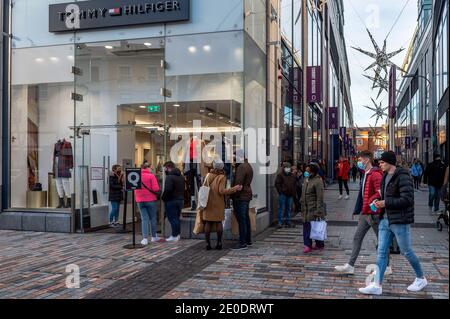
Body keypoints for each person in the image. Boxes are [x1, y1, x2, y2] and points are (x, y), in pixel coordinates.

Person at [359, 151, 427, 295]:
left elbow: (407, 200)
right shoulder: (384, 176)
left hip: (399, 221)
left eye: (382, 162)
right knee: (381, 252)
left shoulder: (403, 176)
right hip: (384, 220)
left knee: (406, 251)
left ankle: (421, 278)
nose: (379, 164)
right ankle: (377, 285)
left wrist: (385, 203)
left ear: (390, 162)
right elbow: (384, 195)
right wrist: (377, 201)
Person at [335, 151, 392, 275]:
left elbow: (381, 192)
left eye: (360, 160)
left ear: (366, 160)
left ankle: (387, 267)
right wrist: (359, 208)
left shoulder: (375, 174)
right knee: (357, 237)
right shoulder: (365, 173)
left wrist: (371, 201)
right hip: (365, 212)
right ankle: (350, 265)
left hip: (374, 212)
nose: (359, 162)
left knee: (381, 240)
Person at [203, 159, 242, 250]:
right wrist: (234, 189)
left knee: (208, 222)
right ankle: (219, 243)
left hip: (207, 202)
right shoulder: (222, 177)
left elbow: (204, 187)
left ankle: (207, 244)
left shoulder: (208, 175)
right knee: (218, 222)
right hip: (218, 203)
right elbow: (221, 191)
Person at [231, 149, 254, 250]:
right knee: (245, 218)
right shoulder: (248, 165)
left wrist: (233, 195)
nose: (233, 159)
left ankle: (242, 242)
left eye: (235, 157)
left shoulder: (241, 167)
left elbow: (238, 183)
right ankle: (247, 240)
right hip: (246, 194)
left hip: (241, 196)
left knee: (242, 219)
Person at [301, 163, 326, 253]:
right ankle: (308, 245)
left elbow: (320, 197)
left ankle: (318, 244)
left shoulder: (318, 181)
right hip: (305, 208)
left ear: (313, 172)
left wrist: (318, 210)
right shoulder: (306, 180)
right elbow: (303, 192)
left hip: (313, 208)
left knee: (315, 227)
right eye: (306, 170)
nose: (306, 172)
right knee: (307, 226)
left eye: (308, 171)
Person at [135, 164, 161, 245]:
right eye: (151, 168)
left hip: (139, 200)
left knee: (144, 219)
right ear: (147, 168)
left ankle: (145, 239)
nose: (152, 169)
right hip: (150, 200)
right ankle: (153, 237)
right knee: (153, 218)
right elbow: (156, 188)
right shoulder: (151, 176)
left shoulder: (136, 176)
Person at [161, 161, 185, 242]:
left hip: (171, 200)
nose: (164, 170)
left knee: (172, 218)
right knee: (176, 218)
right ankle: (177, 235)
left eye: (165, 168)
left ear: (168, 167)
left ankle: (174, 235)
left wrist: (163, 198)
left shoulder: (169, 177)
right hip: (180, 200)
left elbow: (168, 189)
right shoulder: (181, 176)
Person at [275, 162, 297, 228]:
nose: (288, 169)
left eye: (288, 167)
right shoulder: (280, 175)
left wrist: (293, 192)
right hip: (283, 194)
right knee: (281, 208)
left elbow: (294, 184)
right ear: (283, 168)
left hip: (290, 194)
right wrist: (281, 192)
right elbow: (277, 184)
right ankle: (280, 222)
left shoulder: (292, 175)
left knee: (288, 208)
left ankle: (288, 221)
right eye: (286, 167)